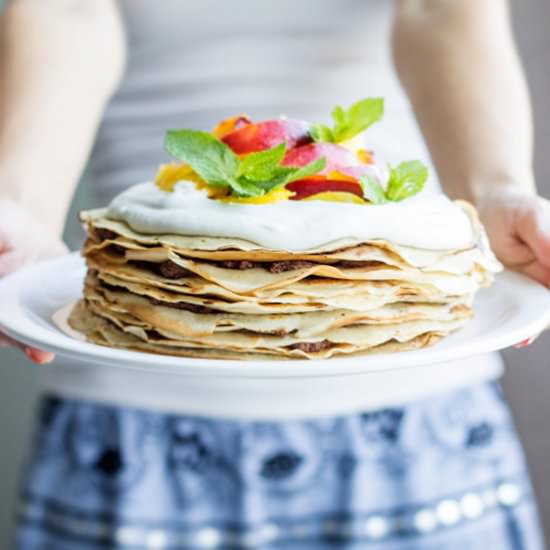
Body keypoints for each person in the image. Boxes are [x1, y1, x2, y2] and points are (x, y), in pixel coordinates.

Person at [2, 0, 550, 548]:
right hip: (127, 404)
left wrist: (494, 194)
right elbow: (66, 11)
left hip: (416, 394)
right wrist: (21, 211)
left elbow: (442, 10)